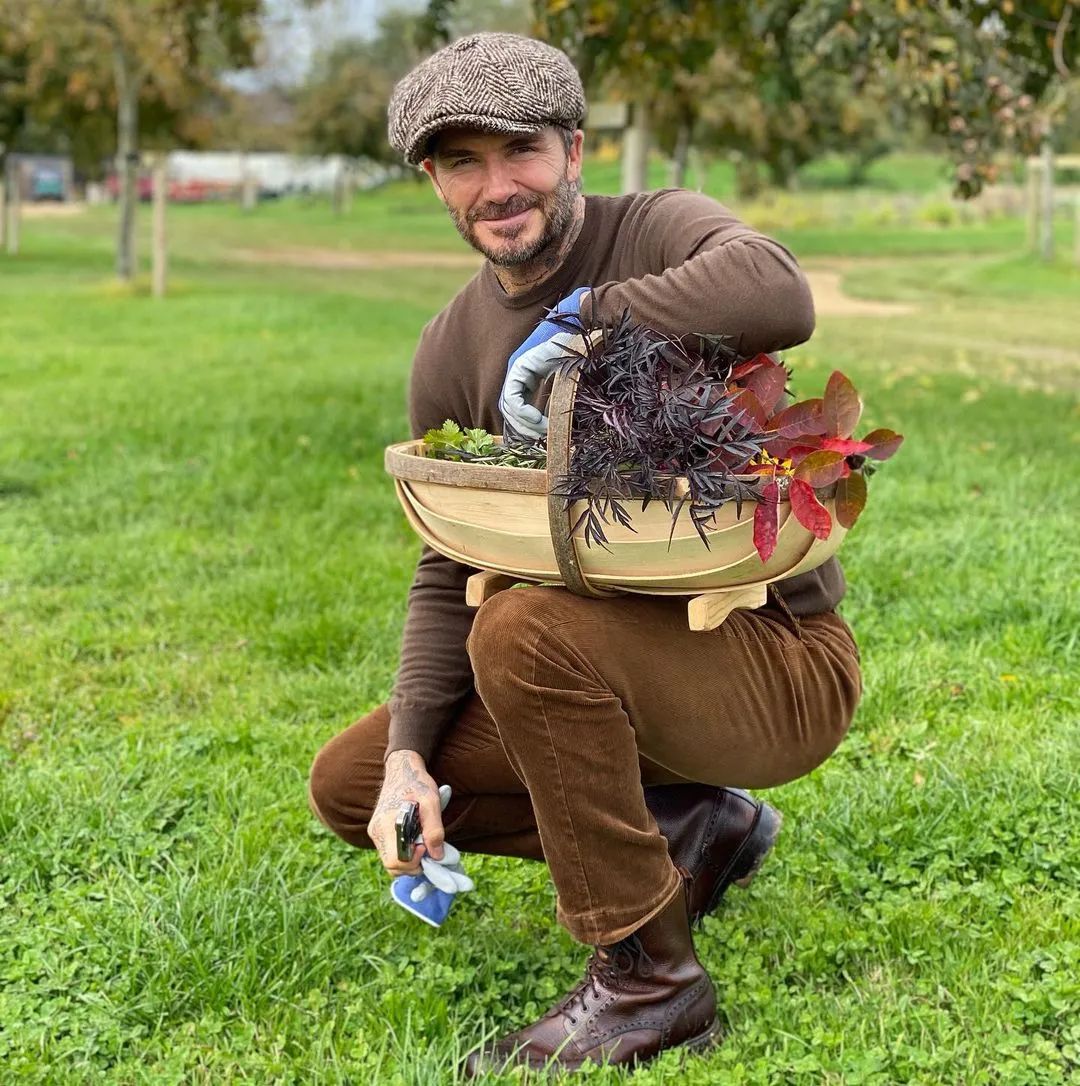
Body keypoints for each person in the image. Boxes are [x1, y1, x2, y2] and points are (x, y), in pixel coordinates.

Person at [308, 31, 862, 1077]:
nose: (496, 186)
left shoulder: (657, 229)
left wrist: (588, 319)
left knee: (524, 628)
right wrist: (408, 760)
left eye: (518, 149)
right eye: (461, 162)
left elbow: (780, 294)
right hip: (597, 677)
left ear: (571, 148)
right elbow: (445, 561)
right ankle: (695, 832)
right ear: (433, 181)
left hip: (771, 664)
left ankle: (653, 982)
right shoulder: (449, 345)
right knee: (350, 784)